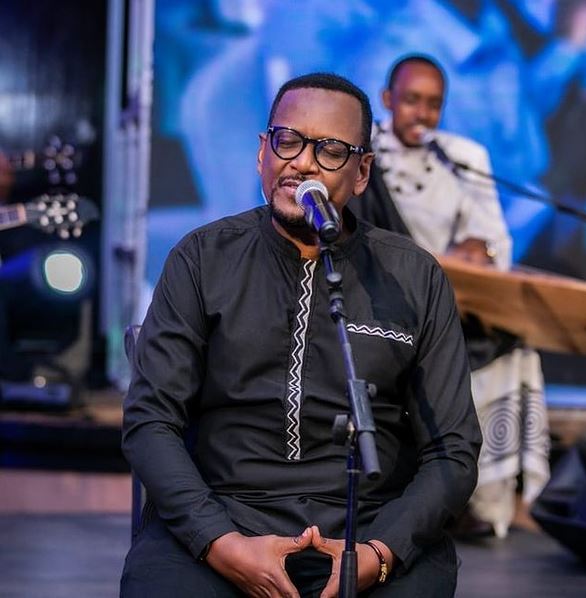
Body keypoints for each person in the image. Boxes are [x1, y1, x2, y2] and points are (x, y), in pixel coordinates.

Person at [120, 72, 481, 597]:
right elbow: (150, 421)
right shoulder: (202, 259)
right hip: (224, 518)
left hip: (367, 527)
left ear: (362, 172)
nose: (303, 163)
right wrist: (221, 543)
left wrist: (380, 552)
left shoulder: (413, 278)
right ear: (262, 152)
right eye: (287, 140)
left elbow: (453, 449)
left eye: (330, 150)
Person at [351, 55, 550, 538]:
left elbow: (497, 244)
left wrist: (479, 249)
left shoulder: (464, 158)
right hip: (379, 303)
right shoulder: (359, 155)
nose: (422, 113)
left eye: (433, 104)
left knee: (513, 350)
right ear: (387, 99)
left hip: (448, 305)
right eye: (411, 100)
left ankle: (481, 501)